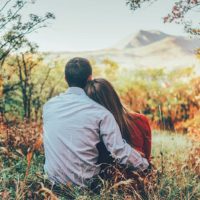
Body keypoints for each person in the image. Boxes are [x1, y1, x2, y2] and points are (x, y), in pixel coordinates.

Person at [43, 57, 149, 187]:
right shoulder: (101, 113)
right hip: (86, 186)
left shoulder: (48, 106)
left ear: (65, 78)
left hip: (52, 183)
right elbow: (119, 151)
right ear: (90, 78)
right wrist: (145, 166)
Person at [85, 78, 152, 165]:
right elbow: (147, 158)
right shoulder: (141, 120)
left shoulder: (92, 131)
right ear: (114, 97)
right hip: (141, 175)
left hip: (108, 177)